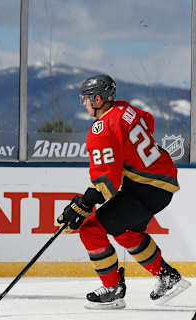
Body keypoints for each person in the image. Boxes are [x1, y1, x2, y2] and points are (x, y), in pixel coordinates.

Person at [57, 74, 191, 309]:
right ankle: (167, 277)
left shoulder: (101, 129)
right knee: (124, 231)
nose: (85, 104)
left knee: (90, 230)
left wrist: (83, 204)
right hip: (162, 180)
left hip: (146, 186)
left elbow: (106, 182)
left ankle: (112, 290)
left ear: (97, 99)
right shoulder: (125, 109)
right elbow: (147, 121)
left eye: (86, 99)